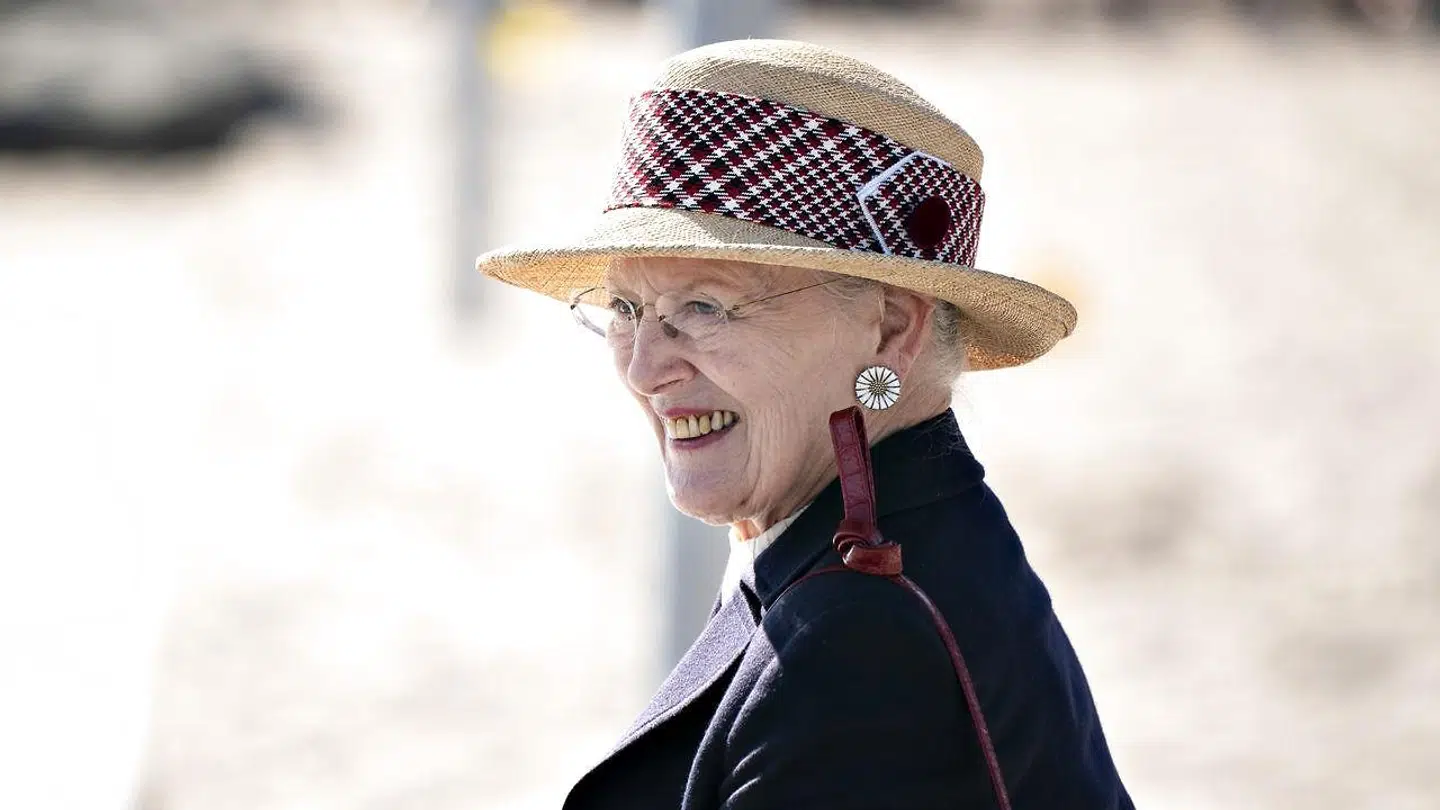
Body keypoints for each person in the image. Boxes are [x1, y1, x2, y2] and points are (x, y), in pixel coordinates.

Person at [477, 39, 1134, 810]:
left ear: (891, 325)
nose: (645, 369)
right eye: (625, 308)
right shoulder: (890, 552)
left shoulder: (859, 643)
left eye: (704, 306)